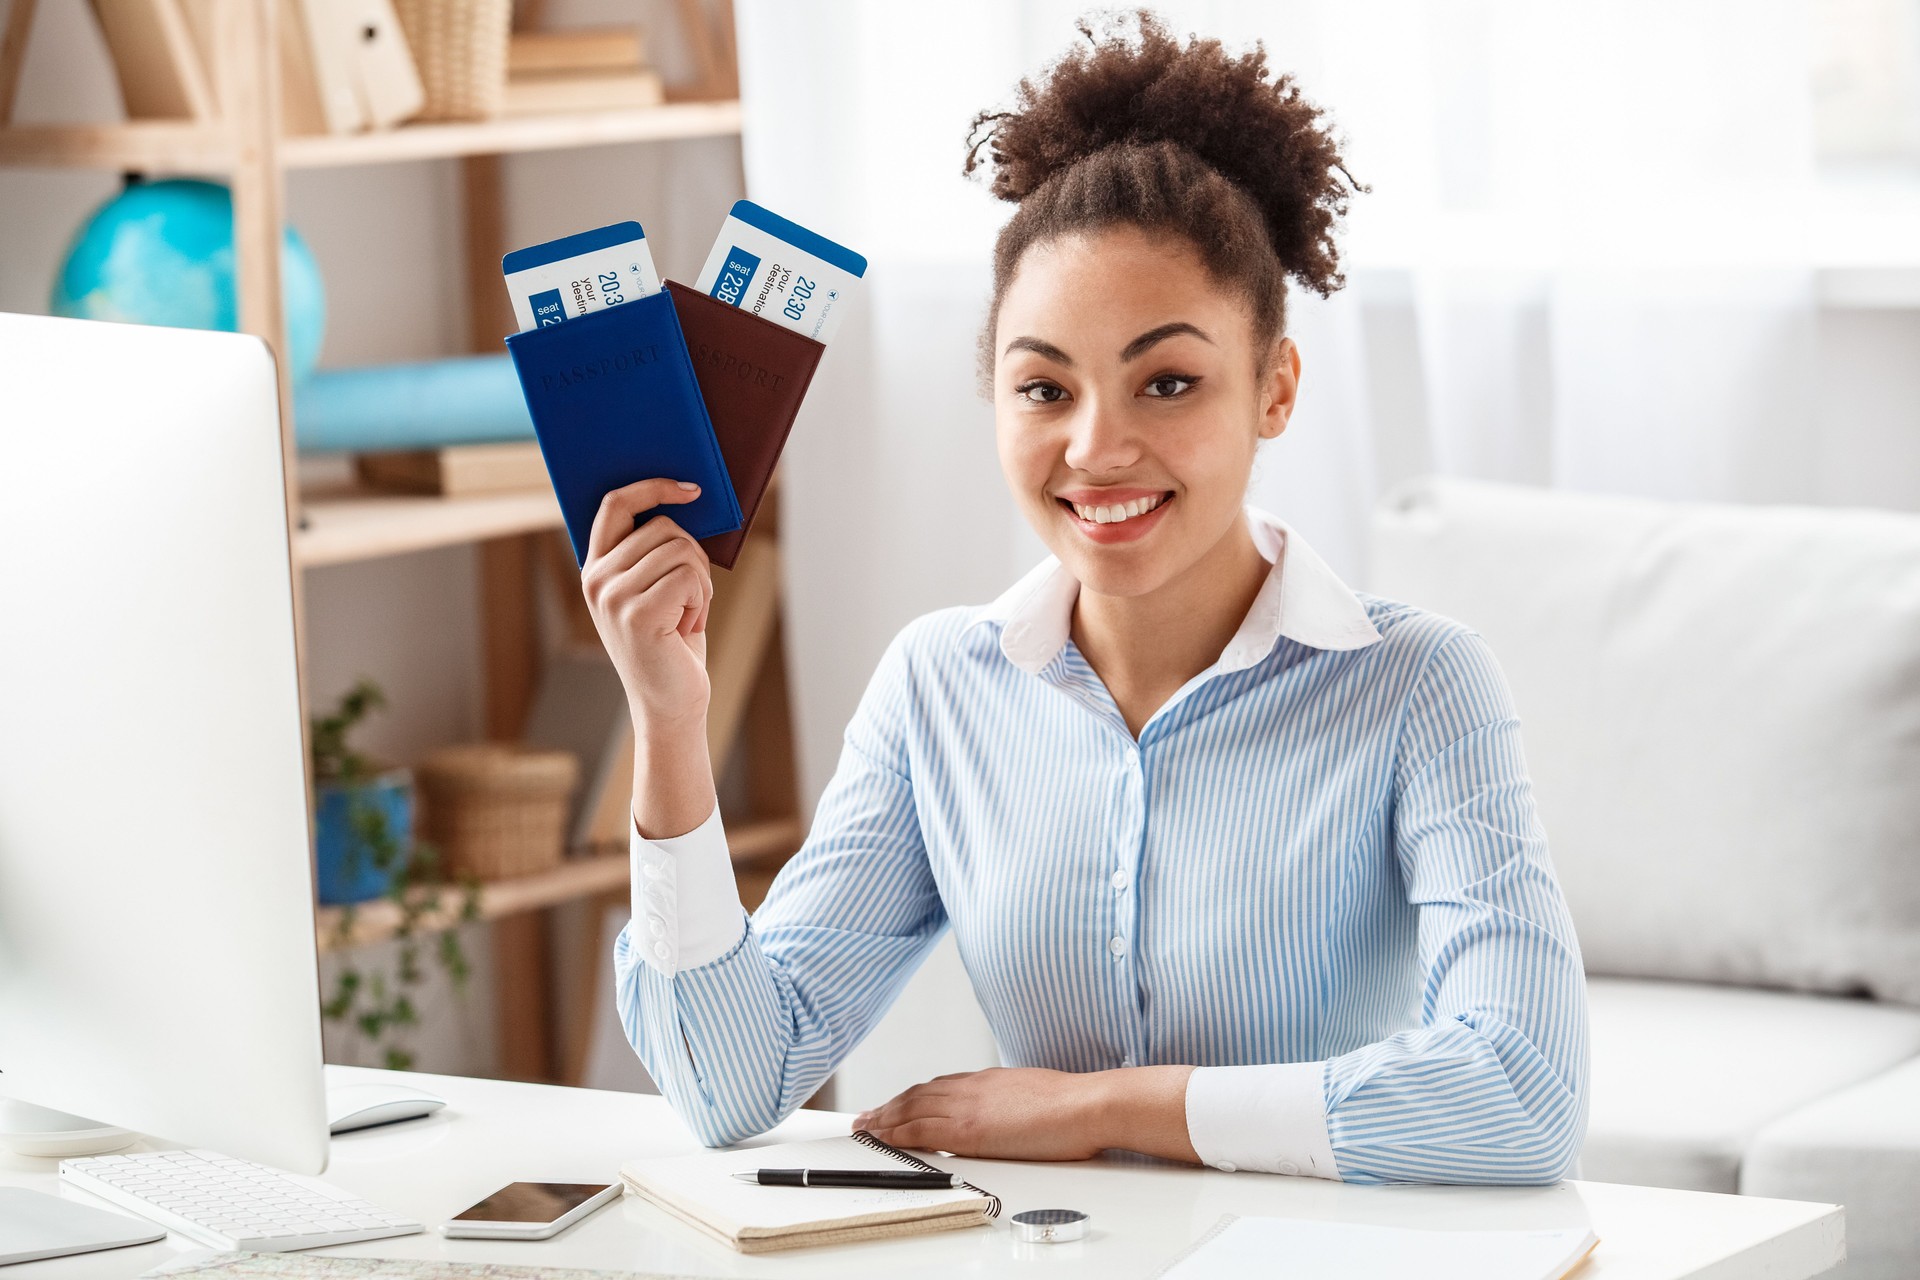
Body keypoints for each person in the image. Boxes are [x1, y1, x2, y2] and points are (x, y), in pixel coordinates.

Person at [585, 9, 1588, 1184]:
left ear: (1275, 388)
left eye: (1167, 381)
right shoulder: (938, 689)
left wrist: (1098, 1107)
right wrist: (667, 723)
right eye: (1044, 387)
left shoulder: (1419, 683)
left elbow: (1521, 1094)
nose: (1097, 447)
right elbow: (726, 1081)